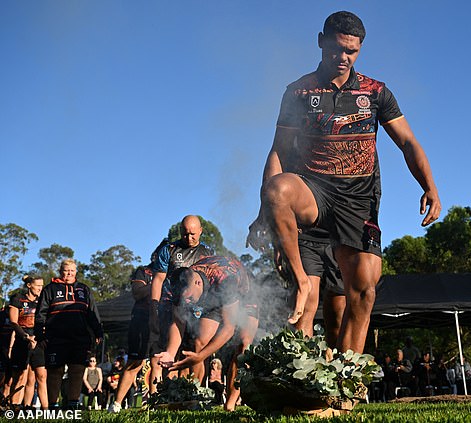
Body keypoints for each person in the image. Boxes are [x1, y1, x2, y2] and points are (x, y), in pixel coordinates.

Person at [247, 11, 441, 354]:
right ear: (321, 41)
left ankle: (345, 384)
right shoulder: (298, 91)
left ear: (360, 49)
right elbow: (278, 151)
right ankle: (303, 289)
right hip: (313, 191)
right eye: (336, 49)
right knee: (277, 190)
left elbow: (408, 142)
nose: (343, 58)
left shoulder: (376, 92)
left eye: (351, 51)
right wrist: (265, 210)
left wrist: (430, 186)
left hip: (358, 198)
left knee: (363, 292)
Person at [154, 255, 259, 411]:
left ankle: (230, 403)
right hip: (213, 300)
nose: (186, 303)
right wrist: (170, 353)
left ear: (197, 283)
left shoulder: (225, 279)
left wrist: (201, 357)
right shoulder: (178, 283)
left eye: (188, 298)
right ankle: (196, 395)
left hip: (244, 295)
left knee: (243, 345)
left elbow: (229, 328)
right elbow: (178, 321)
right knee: (199, 343)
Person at [148, 216, 213, 391]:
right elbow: (158, 279)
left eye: (193, 234)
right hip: (172, 305)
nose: (189, 238)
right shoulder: (168, 250)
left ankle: (196, 391)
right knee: (171, 350)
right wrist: (154, 305)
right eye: (185, 234)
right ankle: (168, 392)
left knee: (197, 349)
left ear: (200, 231)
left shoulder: (207, 252)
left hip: (198, 309)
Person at [34, 258, 103, 409]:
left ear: (76, 272)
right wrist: (40, 336)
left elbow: (92, 314)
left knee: (77, 370)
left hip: (79, 338)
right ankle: (53, 406)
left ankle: (73, 405)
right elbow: (40, 315)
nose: (69, 273)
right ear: (60, 272)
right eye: (66, 270)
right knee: (55, 372)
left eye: (72, 271)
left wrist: (98, 332)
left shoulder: (84, 289)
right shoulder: (49, 289)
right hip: (56, 338)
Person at [109, 240, 168, 413]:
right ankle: (117, 404)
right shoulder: (144, 271)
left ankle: (154, 404)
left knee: (158, 361)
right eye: (160, 255)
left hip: (161, 320)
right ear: (155, 256)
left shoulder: (171, 273)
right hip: (141, 320)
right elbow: (137, 293)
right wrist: (157, 283)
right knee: (136, 362)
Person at [7, 275, 47, 409]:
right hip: (22, 340)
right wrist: (25, 337)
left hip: (38, 340)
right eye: (38, 286)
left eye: (42, 286)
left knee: (39, 376)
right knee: (20, 376)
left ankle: (40, 408)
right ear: (29, 285)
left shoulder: (42, 301)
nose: (40, 289)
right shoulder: (18, 298)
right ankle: (14, 406)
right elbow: (14, 322)